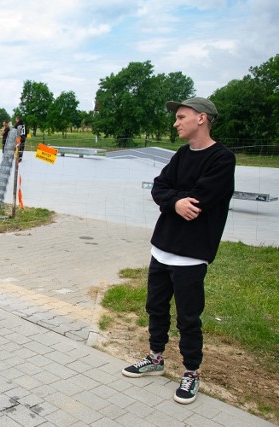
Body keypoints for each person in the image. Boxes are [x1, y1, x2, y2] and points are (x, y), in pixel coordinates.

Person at [121, 97, 235, 405]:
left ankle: (191, 372)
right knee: (155, 308)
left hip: (191, 254)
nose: (176, 122)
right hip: (162, 248)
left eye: (181, 116)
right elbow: (158, 187)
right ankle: (156, 358)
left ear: (201, 118)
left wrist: (174, 198)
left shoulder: (222, 159)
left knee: (188, 317)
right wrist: (174, 201)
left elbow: (199, 202)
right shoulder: (182, 155)